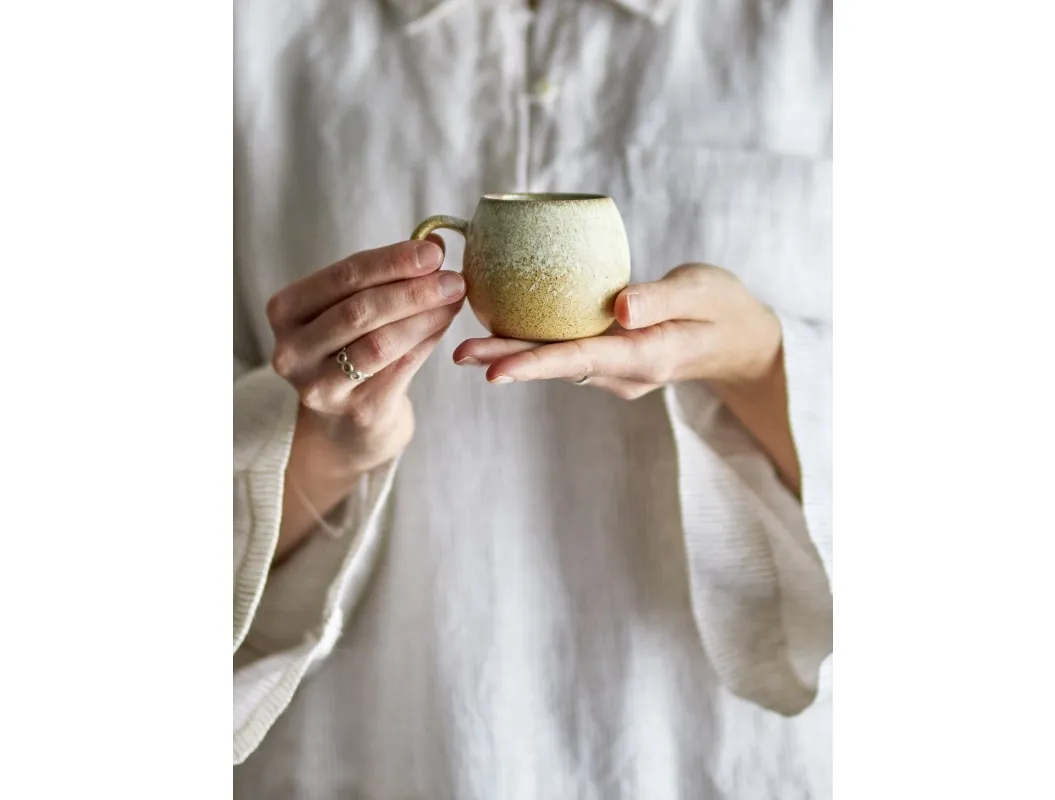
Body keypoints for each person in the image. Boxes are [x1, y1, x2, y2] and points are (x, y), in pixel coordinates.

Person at [233, 0, 833, 796]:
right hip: (387, 743)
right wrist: (328, 445)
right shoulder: (257, 36)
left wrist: (756, 362)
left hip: (703, 752)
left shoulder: (816, 31)